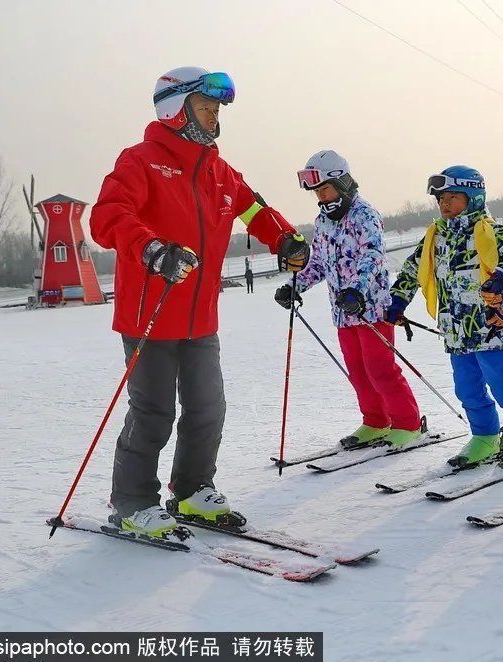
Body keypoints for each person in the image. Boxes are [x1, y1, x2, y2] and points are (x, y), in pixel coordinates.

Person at [90, 66, 310, 539]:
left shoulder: (219, 172)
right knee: (153, 413)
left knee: (209, 408)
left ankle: (191, 490)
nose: (214, 117)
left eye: (216, 110)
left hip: (200, 317)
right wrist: (153, 250)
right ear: (175, 110)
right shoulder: (141, 161)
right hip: (150, 314)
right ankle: (132, 501)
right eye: (205, 107)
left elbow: (255, 209)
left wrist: (285, 240)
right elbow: (107, 217)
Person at [387, 166, 503, 468]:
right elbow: (412, 269)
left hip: (490, 327)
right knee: (467, 388)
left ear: (473, 198)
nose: (445, 204)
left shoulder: (490, 232)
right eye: (441, 199)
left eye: (452, 197)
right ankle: (485, 436)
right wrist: (397, 300)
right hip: (455, 329)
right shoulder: (435, 237)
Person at [275, 151, 422, 448]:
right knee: (357, 371)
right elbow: (318, 263)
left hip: (370, 308)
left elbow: (373, 256)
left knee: (380, 369)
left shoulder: (364, 214)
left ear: (341, 182)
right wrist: (296, 286)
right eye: (316, 192)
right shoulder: (323, 220)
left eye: (324, 188)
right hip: (343, 312)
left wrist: (356, 290)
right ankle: (376, 421)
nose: (320, 196)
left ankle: (407, 423)